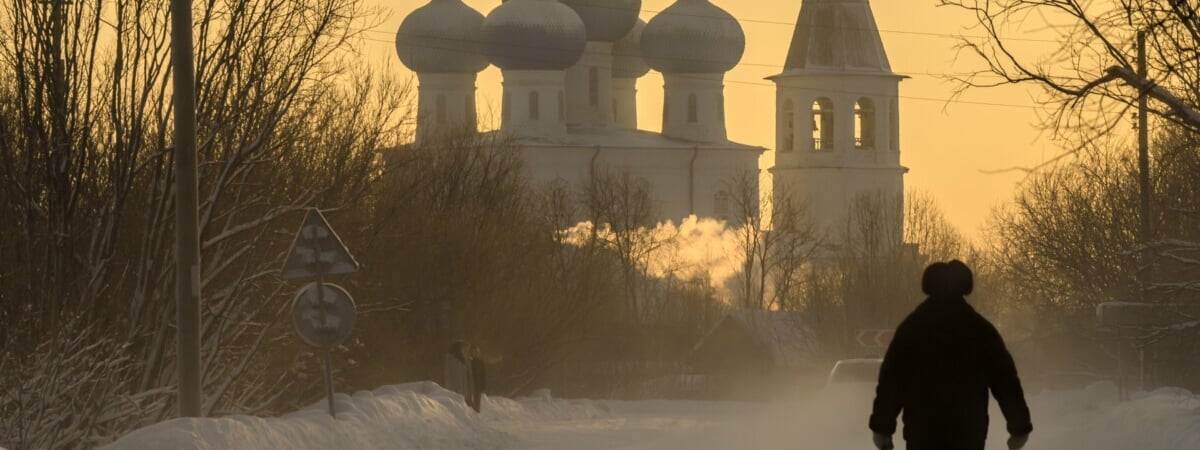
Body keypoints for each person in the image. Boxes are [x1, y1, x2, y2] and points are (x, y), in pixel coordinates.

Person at [869, 260, 1033, 450]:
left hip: (922, 433)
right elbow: (1006, 381)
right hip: (968, 434)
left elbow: (892, 381)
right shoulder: (980, 331)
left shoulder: (912, 329)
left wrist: (882, 427)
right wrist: (1018, 427)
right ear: (965, 286)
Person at [444, 340, 473, 408]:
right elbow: (449, 374)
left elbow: (465, 374)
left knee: (461, 406)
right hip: (454, 386)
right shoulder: (451, 358)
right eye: (463, 348)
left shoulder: (463, 358)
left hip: (461, 386)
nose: (465, 350)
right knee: (456, 405)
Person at [469, 345, 486, 413]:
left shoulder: (480, 362)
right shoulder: (469, 361)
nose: (475, 353)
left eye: (477, 352)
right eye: (474, 352)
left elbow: (483, 374)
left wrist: (484, 385)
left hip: (478, 384)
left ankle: (476, 412)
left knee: (477, 399)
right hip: (471, 383)